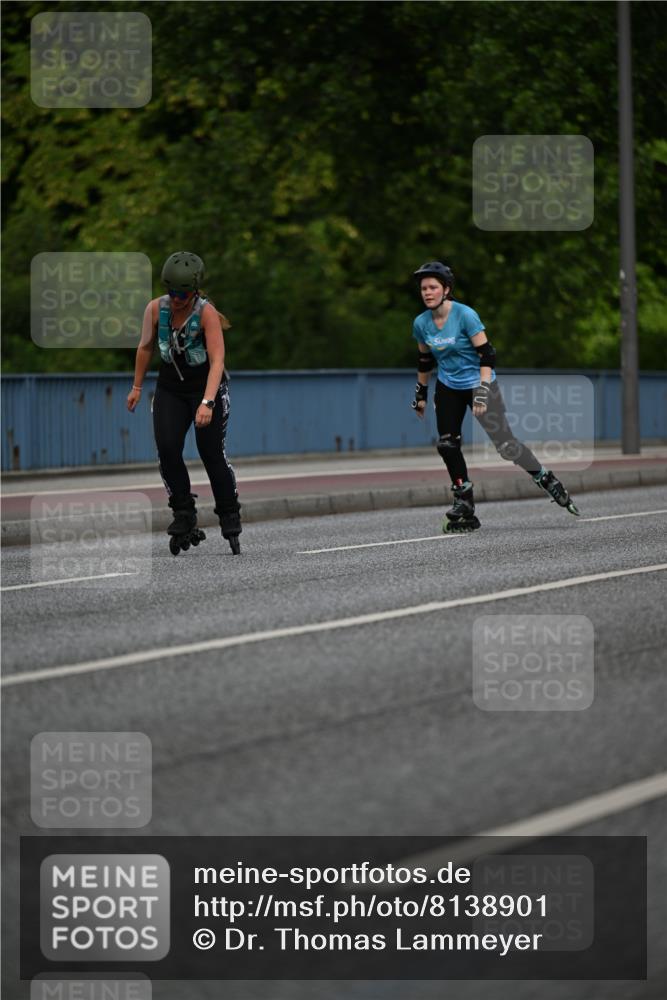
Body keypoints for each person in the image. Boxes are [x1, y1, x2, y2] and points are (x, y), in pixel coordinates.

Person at [410, 261, 579, 533]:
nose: (427, 292)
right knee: (447, 444)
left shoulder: (465, 315)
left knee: (506, 447)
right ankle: (463, 501)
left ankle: (545, 478)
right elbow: (424, 359)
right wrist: (420, 393)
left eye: (433, 287)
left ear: (446, 289)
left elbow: (487, 354)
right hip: (449, 386)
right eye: (423, 288)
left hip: (481, 382)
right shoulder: (421, 323)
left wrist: (482, 391)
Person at [126, 251, 242, 555]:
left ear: (195, 290)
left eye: (183, 293)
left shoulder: (206, 314)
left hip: (206, 388)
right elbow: (144, 348)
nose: (176, 298)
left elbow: (217, 360)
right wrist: (137, 386)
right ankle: (184, 513)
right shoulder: (155, 309)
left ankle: (229, 512)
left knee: (211, 453)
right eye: (172, 291)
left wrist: (207, 402)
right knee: (167, 449)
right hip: (171, 390)